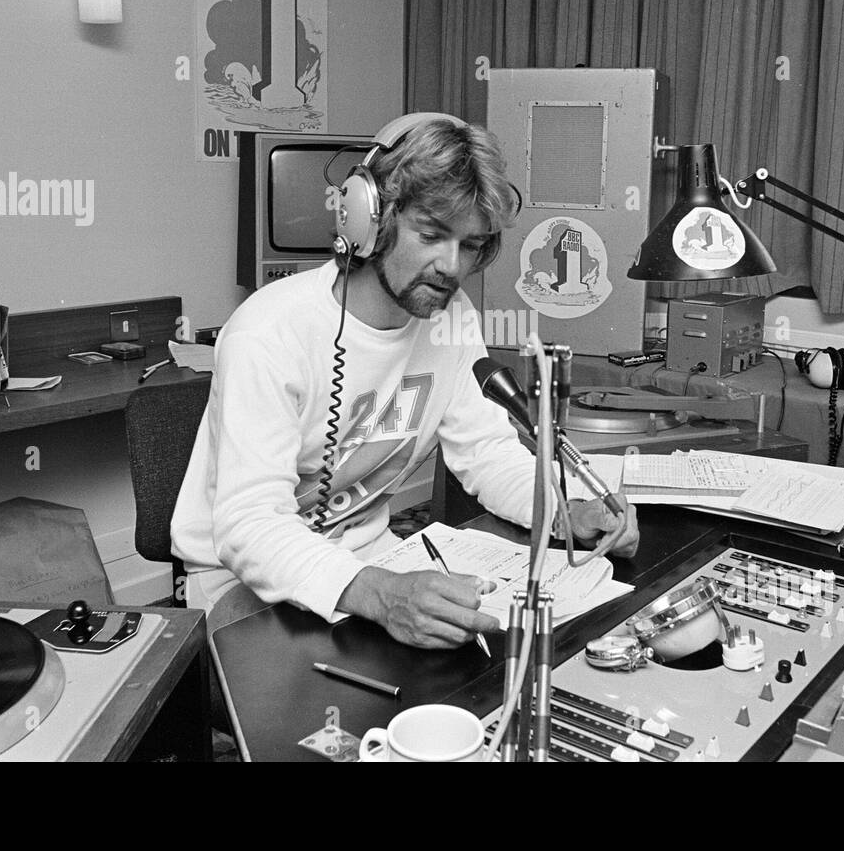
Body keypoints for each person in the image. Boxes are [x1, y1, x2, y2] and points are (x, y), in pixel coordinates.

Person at [170, 115, 638, 649]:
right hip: (238, 586)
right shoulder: (269, 332)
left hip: (374, 560)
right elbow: (249, 525)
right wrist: (380, 594)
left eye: (470, 245)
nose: (451, 266)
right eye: (432, 235)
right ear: (371, 219)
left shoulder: (451, 315)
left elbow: (486, 452)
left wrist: (567, 512)